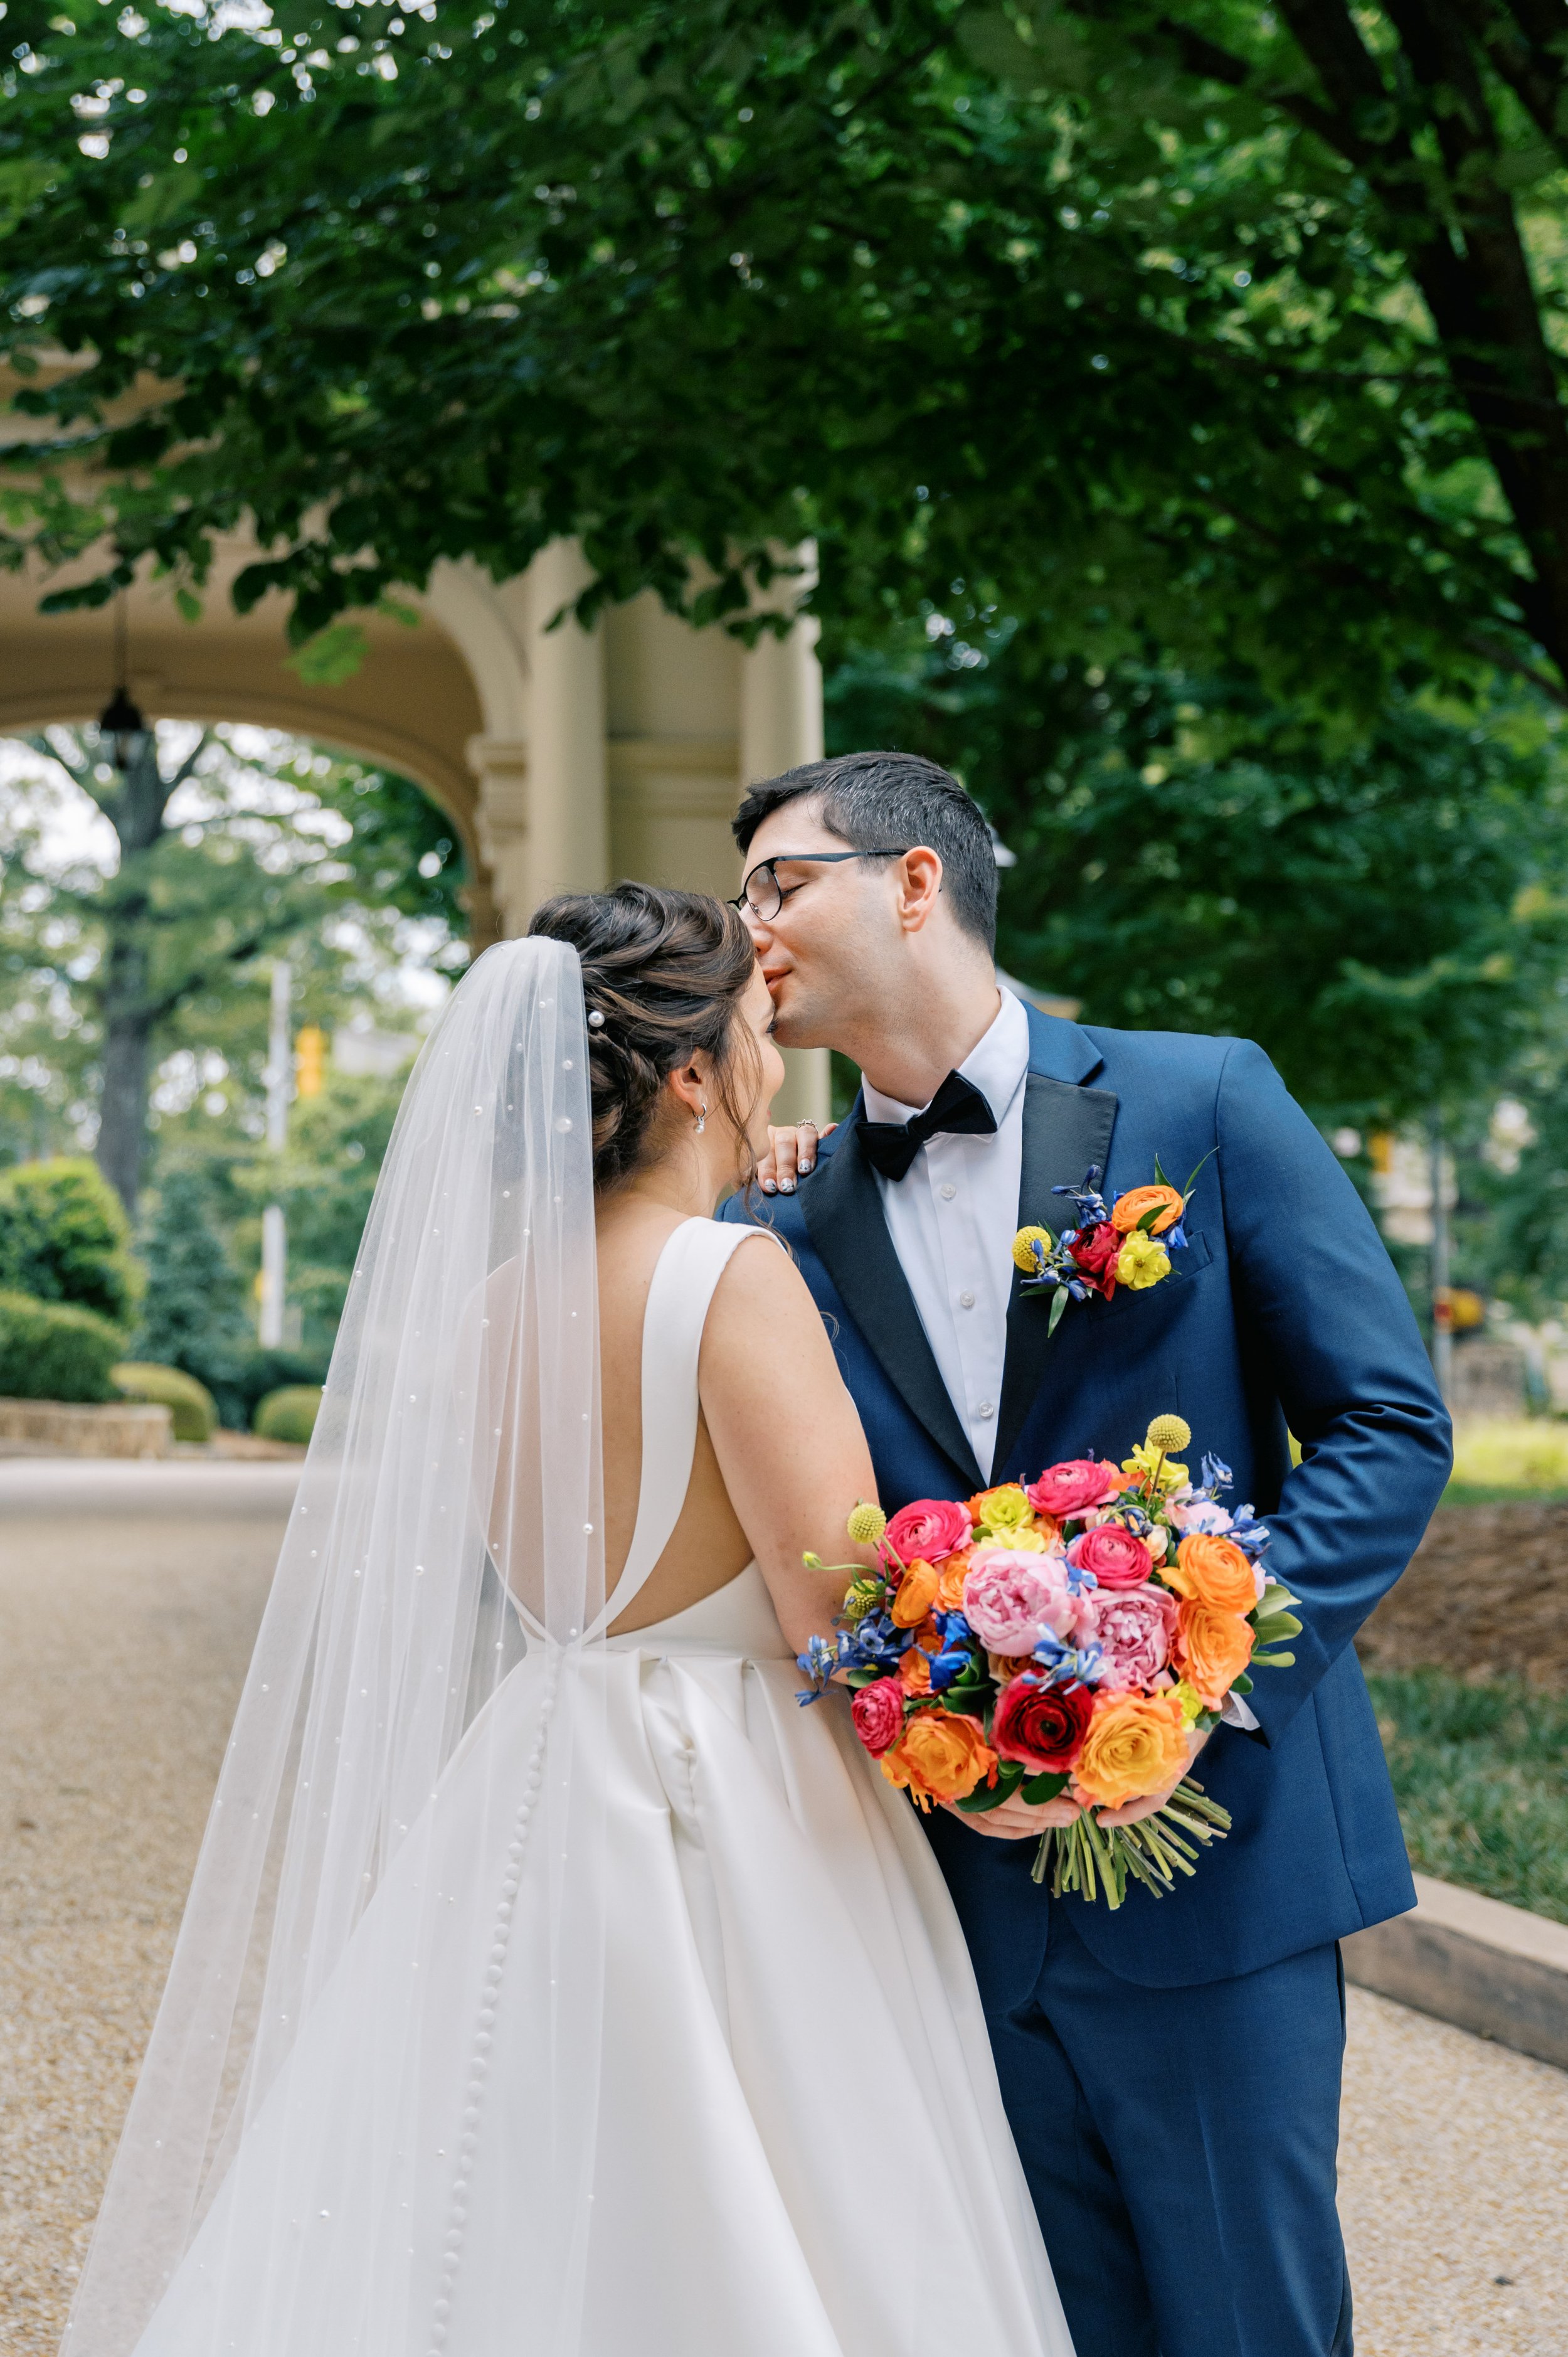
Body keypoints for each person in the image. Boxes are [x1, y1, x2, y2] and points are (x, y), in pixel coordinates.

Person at [66, 885, 1073, 2357]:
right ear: (684, 1074)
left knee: (493, 2170)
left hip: (539, 1758)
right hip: (734, 1795)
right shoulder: (736, 1279)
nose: (770, 1049)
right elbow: (836, 1618)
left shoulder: (485, 1308)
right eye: (749, 1026)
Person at [723, 751, 1453, 2357]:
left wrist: (1206, 1663)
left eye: (779, 885)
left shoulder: (1197, 1098)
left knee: (1252, 2324)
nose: (748, 930)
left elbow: (1388, 1423)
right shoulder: (774, 1219)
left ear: (914, 883)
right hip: (948, 1904)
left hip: (1221, 1858)